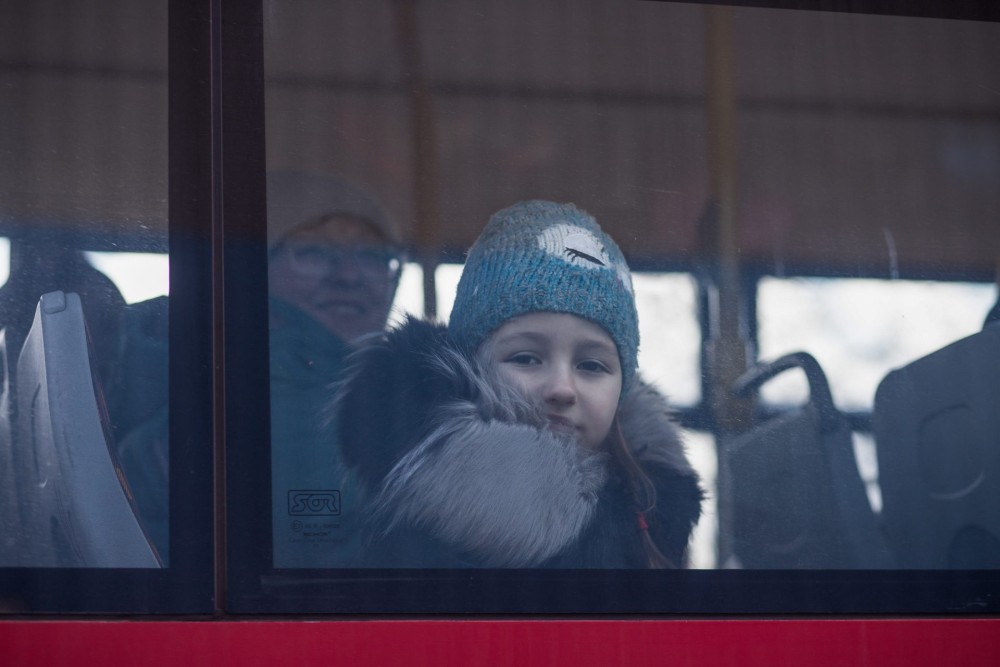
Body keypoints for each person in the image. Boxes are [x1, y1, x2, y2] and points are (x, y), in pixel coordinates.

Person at [337, 200, 703, 568]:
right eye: (526, 358)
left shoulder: (649, 513)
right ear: (472, 369)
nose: (562, 388)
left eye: (592, 365)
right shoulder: (424, 540)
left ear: (623, 387)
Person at [267, 170, 403, 568]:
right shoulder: (213, 399)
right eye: (313, 253)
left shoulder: (414, 397)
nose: (348, 276)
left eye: (372, 256)